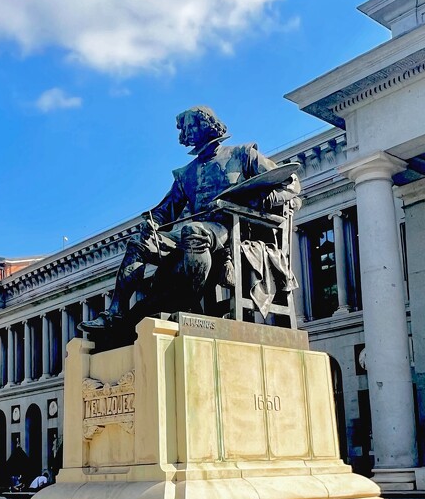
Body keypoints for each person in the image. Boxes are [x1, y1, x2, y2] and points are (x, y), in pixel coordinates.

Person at [79, 105, 301, 336]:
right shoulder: (186, 173)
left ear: (207, 125)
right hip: (195, 229)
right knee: (138, 244)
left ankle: (191, 305)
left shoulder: (243, 154)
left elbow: (292, 182)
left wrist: (267, 199)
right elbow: (166, 210)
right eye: (184, 130)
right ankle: (116, 313)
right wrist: (153, 223)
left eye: (190, 126)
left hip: (231, 228)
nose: (185, 134)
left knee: (193, 231)